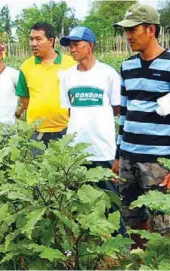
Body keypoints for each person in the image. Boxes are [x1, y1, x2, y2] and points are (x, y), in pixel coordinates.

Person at [112, 4, 170, 248]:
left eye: (133, 30)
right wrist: (118, 154)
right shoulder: (127, 66)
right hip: (129, 158)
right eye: (126, 30)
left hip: (159, 162)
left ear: (151, 30)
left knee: (164, 227)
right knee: (133, 219)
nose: (128, 36)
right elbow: (125, 114)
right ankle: (140, 262)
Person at [59, 26, 126, 235]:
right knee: (79, 199)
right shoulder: (66, 76)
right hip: (76, 149)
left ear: (90, 46)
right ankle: (86, 241)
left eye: (77, 44)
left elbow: (116, 108)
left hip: (103, 147)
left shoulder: (108, 74)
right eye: (70, 45)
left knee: (111, 197)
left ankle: (118, 242)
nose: (72, 49)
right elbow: (69, 110)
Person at [15, 22, 76, 147]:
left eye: (38, 39)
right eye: (31, 39)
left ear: (51, 41)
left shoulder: (70, 64)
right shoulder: (26, 66)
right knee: (37, 165)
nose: (33, 44)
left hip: (66, 130)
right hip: (36, 132)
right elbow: (24, 97)